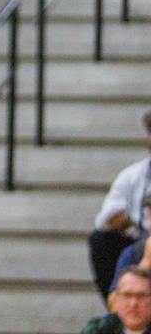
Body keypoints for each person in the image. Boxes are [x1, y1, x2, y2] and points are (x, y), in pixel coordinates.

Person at [90, 111, 151, 297]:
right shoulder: (132, 176)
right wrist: (136, 214)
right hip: (143, 237)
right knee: (102, 240)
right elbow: (105, 219)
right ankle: (119, 310)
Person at [82, 266, 151, 334]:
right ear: (117, 298)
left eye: (141, 296)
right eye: (127, 295)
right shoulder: (98, 329)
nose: (133, 303)